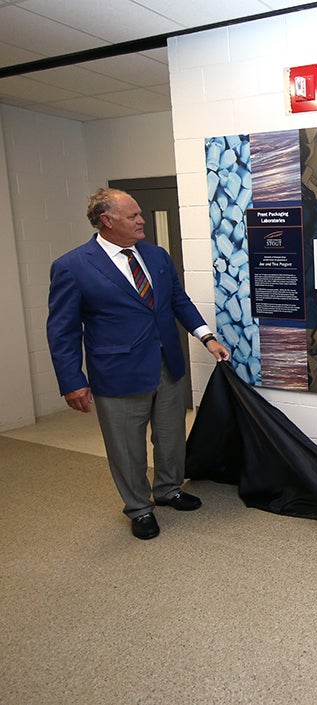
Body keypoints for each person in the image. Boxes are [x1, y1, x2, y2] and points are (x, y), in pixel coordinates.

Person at [47, 188, 230, 540]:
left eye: (139, 214)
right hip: (118, 373)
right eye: (132, 216)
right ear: (107, 220)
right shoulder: (73, 266)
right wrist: (72, 380)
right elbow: (62, 330)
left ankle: (168, 490)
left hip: (166, 363)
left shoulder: (155, 255)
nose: (141, 220)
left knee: (171, 436)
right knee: (127, 446)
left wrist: (207, 337)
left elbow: (178, 300)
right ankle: (139, 508)